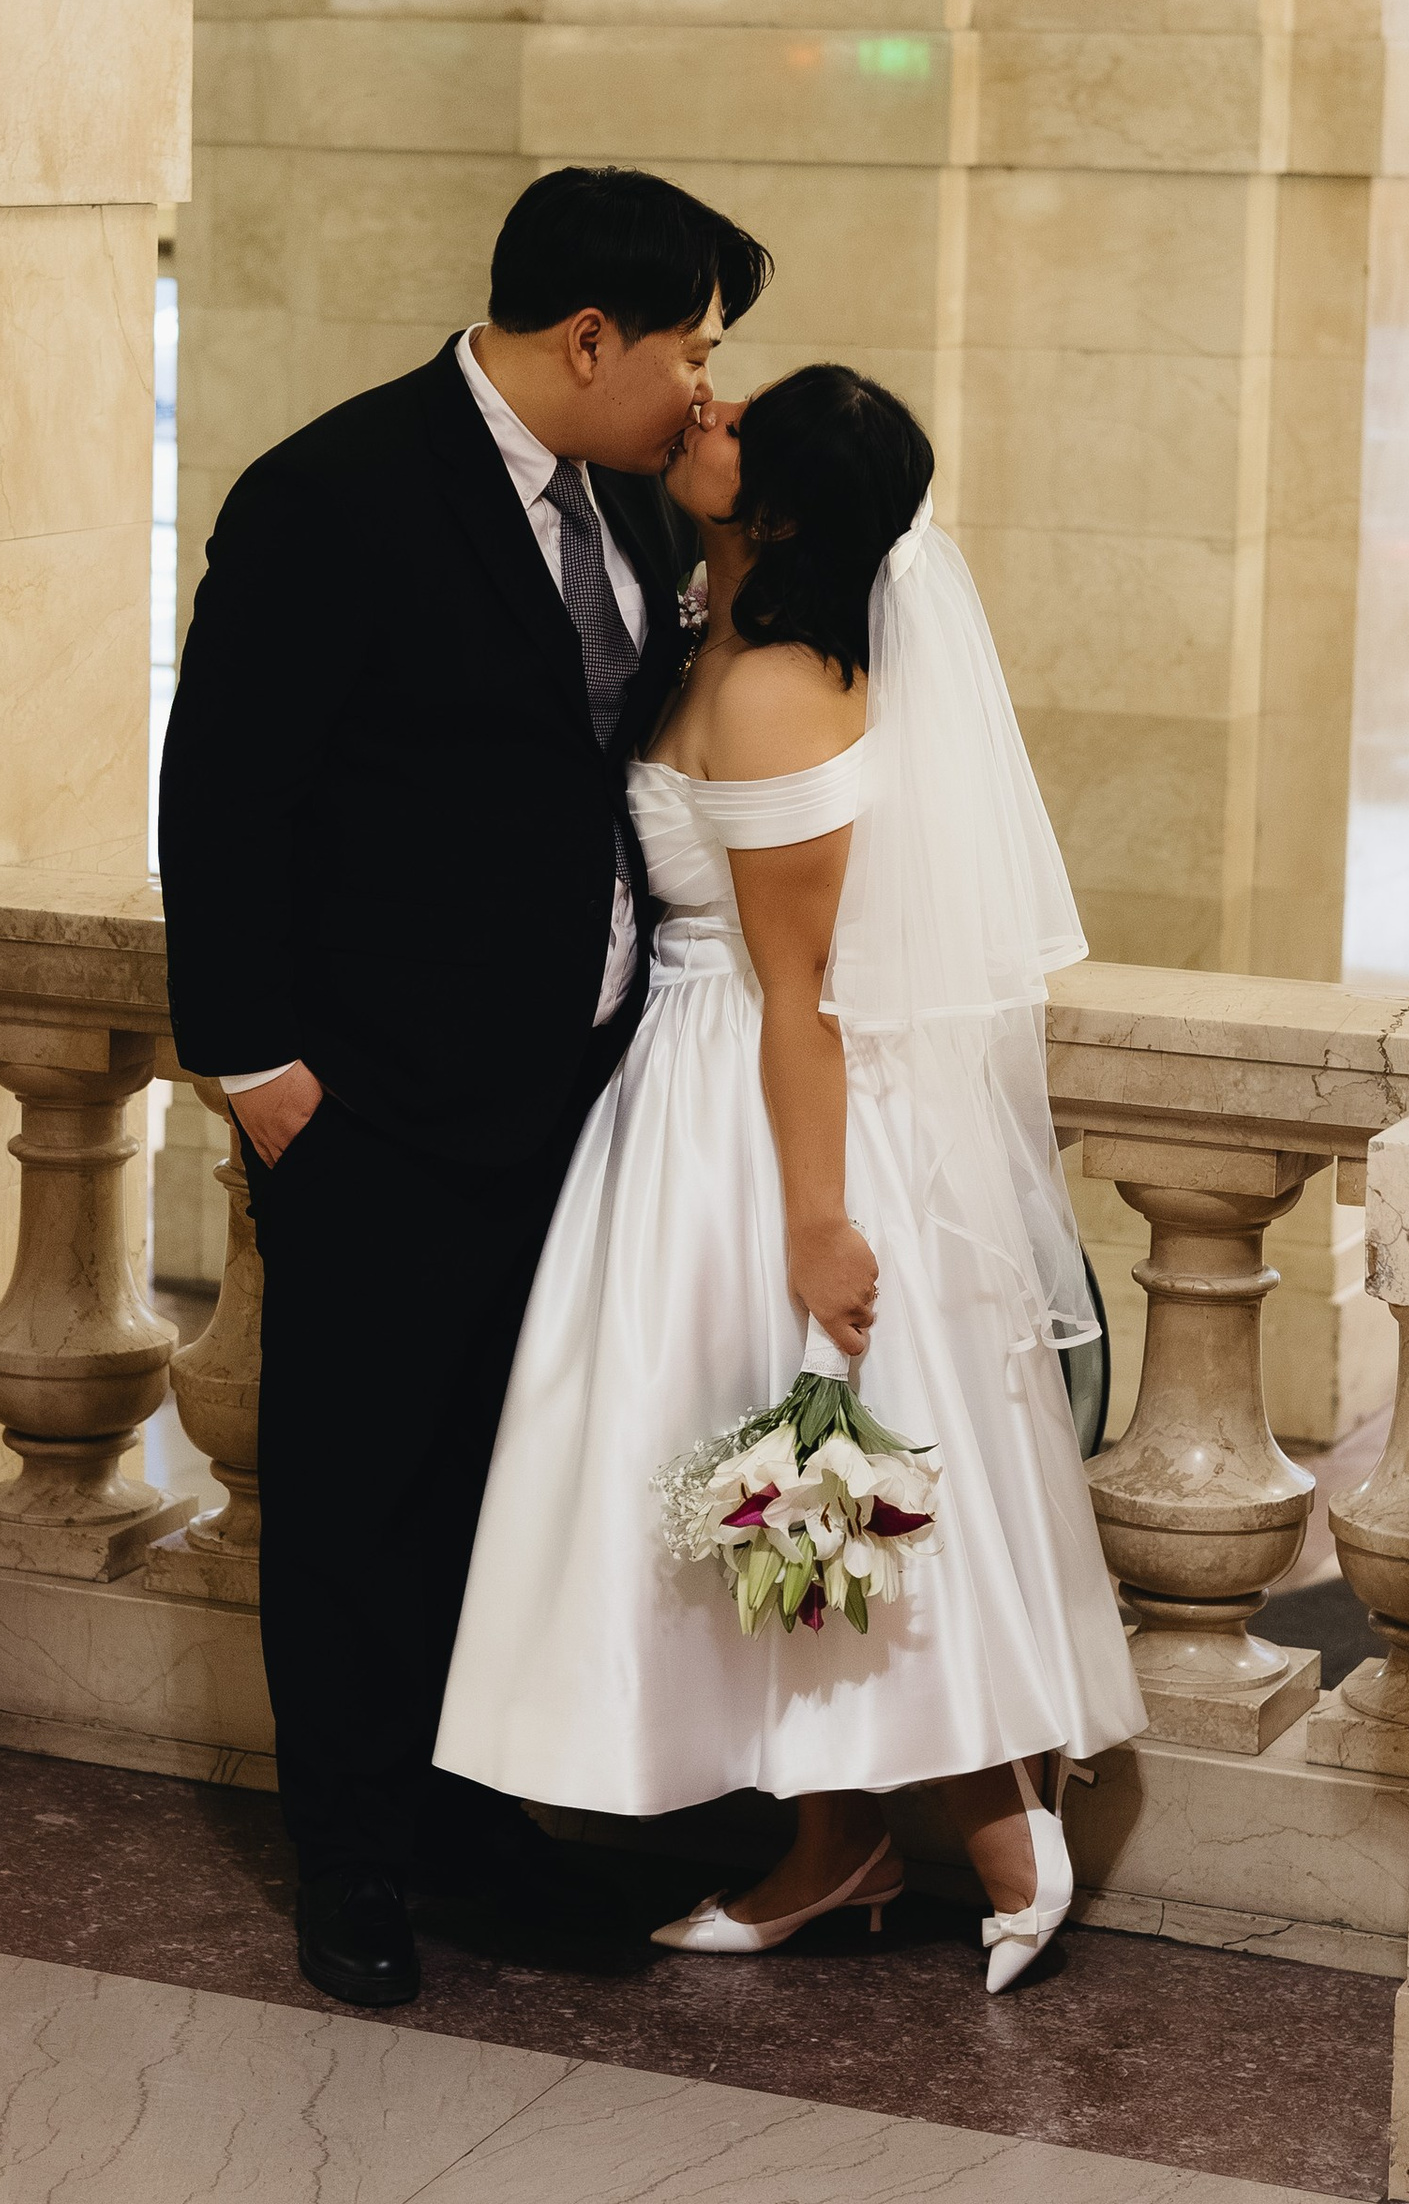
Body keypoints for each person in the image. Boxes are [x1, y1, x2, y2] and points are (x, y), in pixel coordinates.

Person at [436, 366, 1142, 1991]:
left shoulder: (770, 688)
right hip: (690, 1097)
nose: (703, 410)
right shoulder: (717, 632)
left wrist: (818, 1226)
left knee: (799, 1466)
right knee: (745, 1475)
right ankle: (841, 1843)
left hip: (752, 1110)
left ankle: (970, 1828)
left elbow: (798, 995)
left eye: (737, 422)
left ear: (789, 505)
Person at [157, 165, 770, 2007]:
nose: (707, 393)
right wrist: (259, 1071)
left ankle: (467, 1817)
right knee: (355, 1498)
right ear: (593, 337)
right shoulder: (330, 494)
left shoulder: (630, 498)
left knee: (502, 1487)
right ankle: (350, 1863)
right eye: (693, 353)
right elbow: (227, 794)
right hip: (379, 1114)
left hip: (576, 1099)